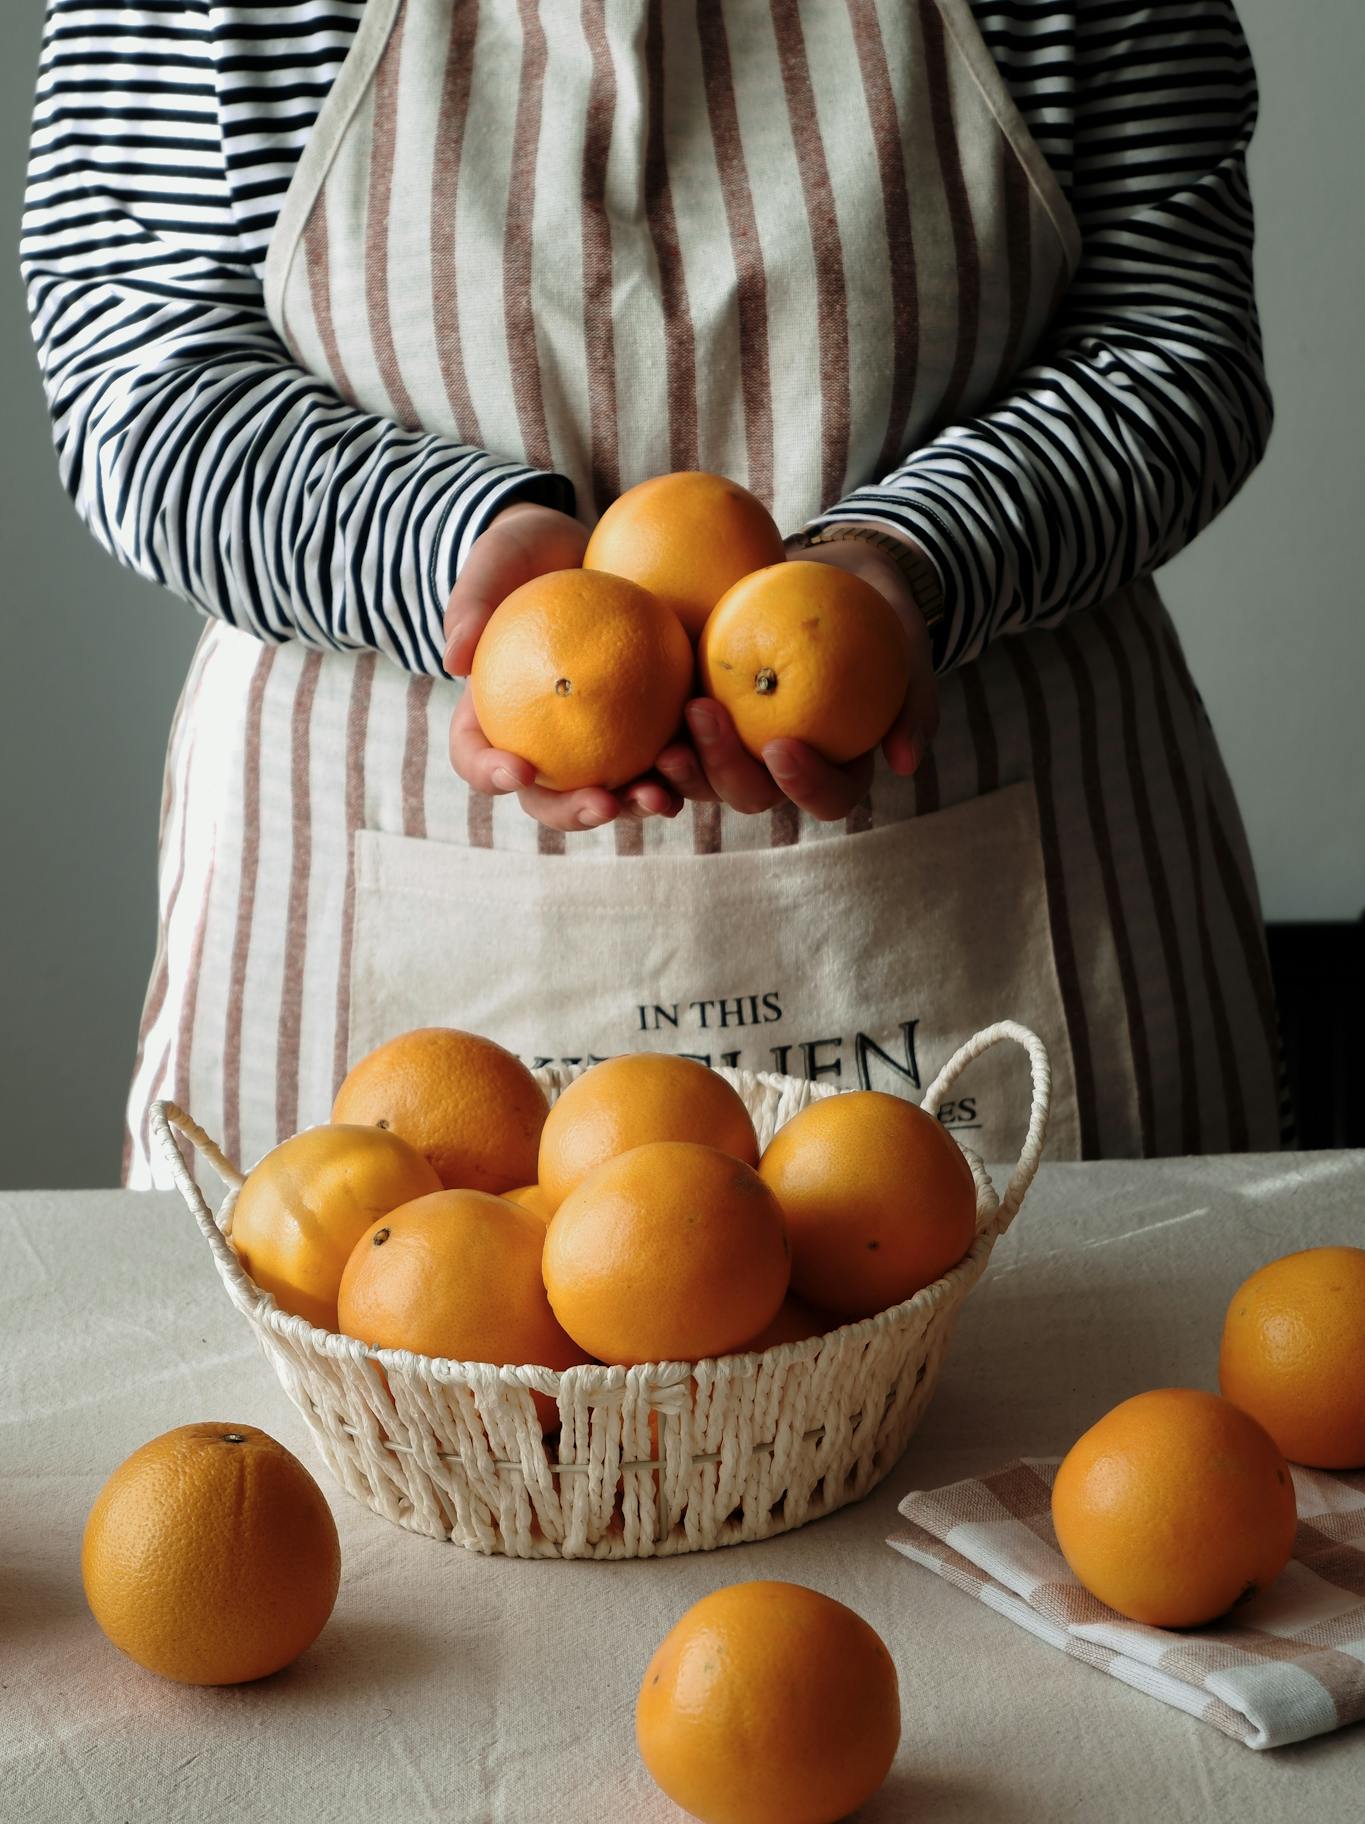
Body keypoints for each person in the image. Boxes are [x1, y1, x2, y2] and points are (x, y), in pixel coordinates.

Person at [23, 0, 1282, 1182]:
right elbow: (138, 360)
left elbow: (1173, 335)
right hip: (387, 833)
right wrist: (454, 554)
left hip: (993, 849)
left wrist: (913, 566)